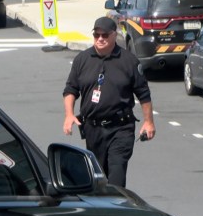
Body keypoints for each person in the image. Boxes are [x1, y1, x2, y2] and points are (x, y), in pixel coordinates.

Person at [62, 17, 155, 187]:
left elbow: (143, 94)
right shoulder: (82, 60)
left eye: (105, 35)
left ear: (114, 35)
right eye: (96, 35)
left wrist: (149, 122)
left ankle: (118, 210)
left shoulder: (129, 61)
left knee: (116, 176)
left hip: (120, 128)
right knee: (98, 180)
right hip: (93, 129)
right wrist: (68, 115)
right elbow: (70, 90)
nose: (100, 39)